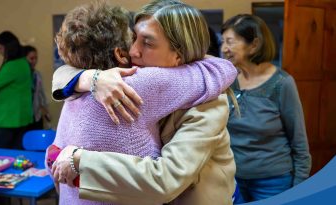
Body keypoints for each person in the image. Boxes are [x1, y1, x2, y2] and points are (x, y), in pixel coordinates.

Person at [51, 1, 237, 205]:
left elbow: (166, 180)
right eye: (133, 38)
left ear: (178, 55)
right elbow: (65, 71)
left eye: (147, 43)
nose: (132, 51)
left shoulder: (208, 102)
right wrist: (90, 78)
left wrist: (80, 160)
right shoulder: (121, 79)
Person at [221, 14, 311, 202]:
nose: (224, 49)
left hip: (273, 182)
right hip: (232, 178)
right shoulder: (228, 80)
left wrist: (300, 190)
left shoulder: (281, 84)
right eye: (223, 42)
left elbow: (299, 142)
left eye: (230, 42)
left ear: (254, 45)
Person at [24, 45, 51, 130]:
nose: (34, 61)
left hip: (36, 116)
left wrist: (46, 110)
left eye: (36, 58)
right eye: (31, 58)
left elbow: (41, 94)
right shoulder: (21, 77)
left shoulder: (37, 74)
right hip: (24, 118)